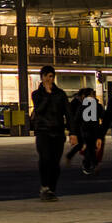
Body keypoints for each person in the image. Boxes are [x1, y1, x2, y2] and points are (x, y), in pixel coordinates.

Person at [30, 65, 72, 202]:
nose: (49, 79)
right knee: (45, 159)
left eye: (51, 76)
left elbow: (68, 113)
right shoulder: (36, 94)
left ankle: (52, 189)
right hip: (43, 132)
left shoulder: (60, 94)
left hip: (58, 132)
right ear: (41, 78)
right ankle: (45, 187)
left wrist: (73, 132)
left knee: (55, 162)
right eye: (46, 76)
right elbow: (39, 110)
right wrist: (47, 95)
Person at [75, 87, 107, 175]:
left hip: (88, 131)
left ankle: (89, 164)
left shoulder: (83, 106)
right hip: (91, 131)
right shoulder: (96, 105)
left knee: (90, 149)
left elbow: (77, 120)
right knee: (91, 149)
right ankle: (92, 164)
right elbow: (104, 118)